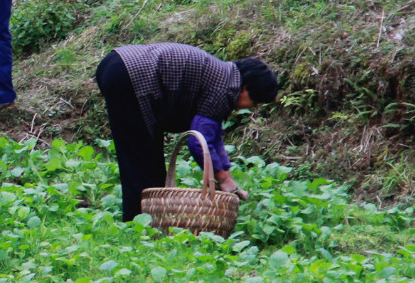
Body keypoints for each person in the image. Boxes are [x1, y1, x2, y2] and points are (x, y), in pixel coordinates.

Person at [93, 42, 279, 220]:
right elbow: (199, 143)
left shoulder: (224, 78)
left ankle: (152, 218)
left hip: (118, 65)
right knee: (139, 161)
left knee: (151, 156)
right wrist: (222, 179)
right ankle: (137, 225)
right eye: (255, 102)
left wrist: (226, 177)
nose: (253, 108)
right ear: (246, 88)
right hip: (128, 74)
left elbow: (213, 138)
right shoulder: (226, 88)